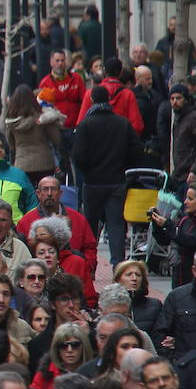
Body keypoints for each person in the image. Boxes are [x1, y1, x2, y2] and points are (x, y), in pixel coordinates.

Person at [74, 84, 144, 266]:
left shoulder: (86, 124)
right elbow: (136, 149)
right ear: (109, 100)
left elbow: (78, 156)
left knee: (90, 225)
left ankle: (89, 264)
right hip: (116, 180)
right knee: (116, 225)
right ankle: (118, 265)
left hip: (92, 182)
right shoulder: (122, 123)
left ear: (91, 100)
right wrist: (123, 166)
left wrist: (88, 170)